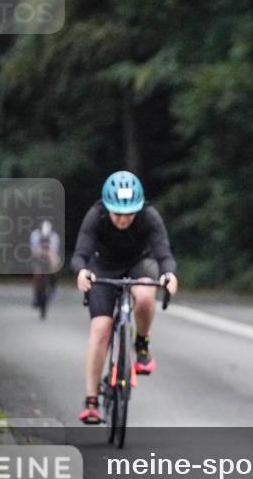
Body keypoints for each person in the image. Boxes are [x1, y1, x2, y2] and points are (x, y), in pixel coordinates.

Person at [71, 171, 178, 424]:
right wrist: (81, 272)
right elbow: (80, 255)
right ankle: (91, 400)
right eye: (117, 213)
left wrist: (169, 275)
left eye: (129, 213)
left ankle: (141, 343)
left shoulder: (149, 216)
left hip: (139, 264)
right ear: (107, 207)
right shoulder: (96, 215)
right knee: (101, 328)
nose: (123, 219)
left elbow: (164, 255)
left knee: (143, 294)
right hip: (104, 268)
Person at [29, 219, 61, 307]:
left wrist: (52, 261)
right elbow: (34, 251)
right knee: (36, 275)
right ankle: (36, 296)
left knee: (55, 267)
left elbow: (53, 252)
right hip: (38, 258)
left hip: (50, 257)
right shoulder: (35, 235)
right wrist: (41, 254)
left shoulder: (54, 237)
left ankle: (53, 285)